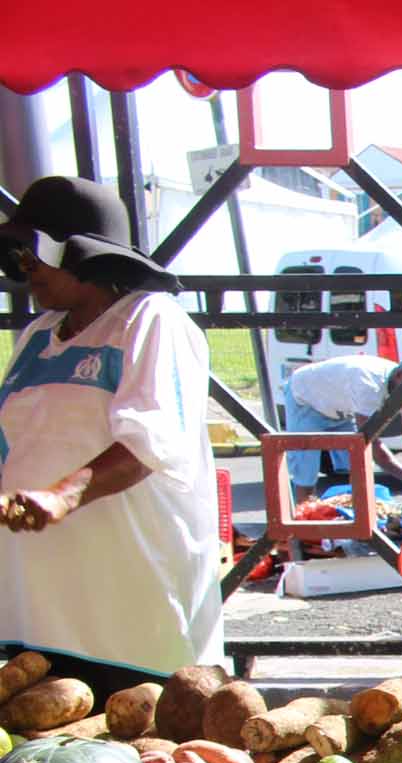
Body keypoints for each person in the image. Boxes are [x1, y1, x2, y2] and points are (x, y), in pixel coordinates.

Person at [0, 176, 221, 696]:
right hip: (38, 607)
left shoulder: (151, 320)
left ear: (79, 253)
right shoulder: (37, 336)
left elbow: (151, 441)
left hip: (131, 602)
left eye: (31, 255)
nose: (23, 273)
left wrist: (62, 494)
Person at [283, 353, 402, 506]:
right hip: (307, 401)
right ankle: (305, 516)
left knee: (359, 466)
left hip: (340, 407)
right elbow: (370, 442)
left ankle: (356, 514)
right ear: (399, 375)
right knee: (306, 471)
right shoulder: (369, 384)